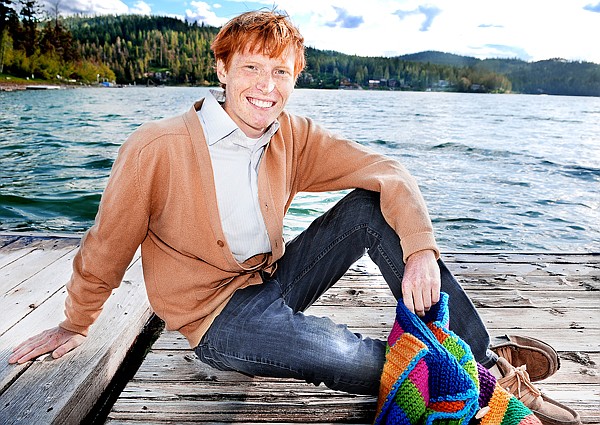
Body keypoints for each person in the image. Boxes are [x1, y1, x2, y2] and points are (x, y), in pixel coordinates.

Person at [9, 10, 579, 425]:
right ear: (223, 69)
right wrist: (75, 323)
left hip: (271, 280)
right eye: (252, 67)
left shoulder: (293, 136)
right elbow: (107, 244)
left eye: (281, 72)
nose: (266, 85)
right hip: (216, 320)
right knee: (352, 359)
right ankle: (476, 383)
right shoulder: (158, 146)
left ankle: (483, 364)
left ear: (296, 78)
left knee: (366, 206)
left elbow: (389, 172)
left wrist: (422, 248)